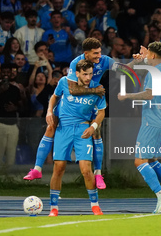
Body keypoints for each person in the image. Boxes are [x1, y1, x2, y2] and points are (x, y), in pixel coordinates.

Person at [23, 38, 112, 188]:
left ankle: (98, 174)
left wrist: (138, 60)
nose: (99, 55)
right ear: (86, 54)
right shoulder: (74, 66)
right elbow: (72, 90)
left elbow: (124, 68)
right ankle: (37, 169)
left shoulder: (104, 62)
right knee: (51, 127)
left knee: (96, 131)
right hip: (71, 106)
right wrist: (49, 111)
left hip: (89, 104)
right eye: (96, 53)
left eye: (99, 52)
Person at [117, 41, 161, 214]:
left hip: (151, 121)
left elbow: (149, 93)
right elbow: (129, 68)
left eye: (148, 54)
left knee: (139, 160)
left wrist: (127, 95)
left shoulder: (154, 73)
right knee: (152, 160)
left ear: (153, 55)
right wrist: (142, 58)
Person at [47, 59, 106, 216]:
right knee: (58, 167)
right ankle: (53, 207)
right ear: (77, 73)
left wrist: (92, 127)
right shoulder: (64, 82)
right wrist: (49, 112)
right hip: (63, 129)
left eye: (90, 74)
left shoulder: (97, 89)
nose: (88, 77)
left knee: (86, 170)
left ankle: (95, 205)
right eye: (85, 74)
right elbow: (54, 97)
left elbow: (101, 112)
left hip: (82, 129)